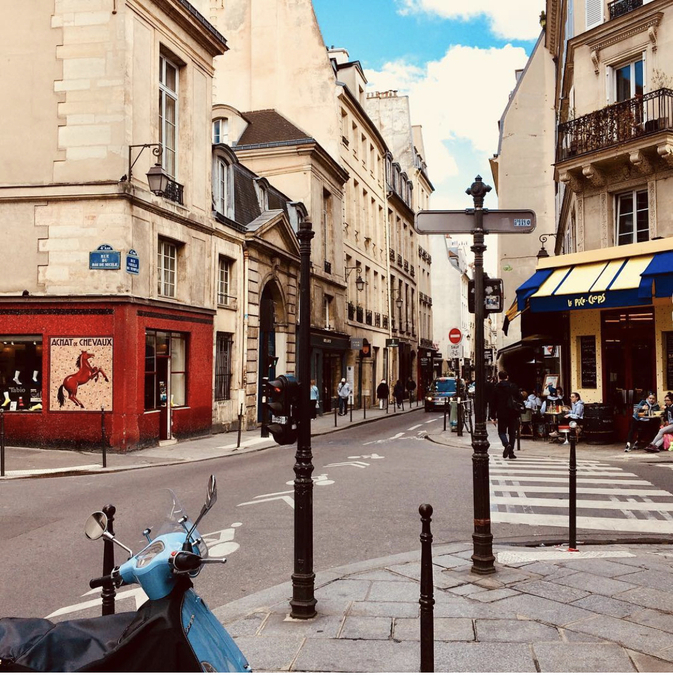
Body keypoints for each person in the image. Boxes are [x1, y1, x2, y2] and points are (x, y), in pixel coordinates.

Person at [489, 370, 522, 459]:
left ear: (499, 377)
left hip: (502, 413)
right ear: (507, 377)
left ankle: (506, 444)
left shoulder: (496, 388)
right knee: (512, 433)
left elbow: (493, 403)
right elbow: (519, 398)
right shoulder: (513, 387)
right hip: (513, 413)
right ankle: (511, 452)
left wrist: (492, 416)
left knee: (501, 432)